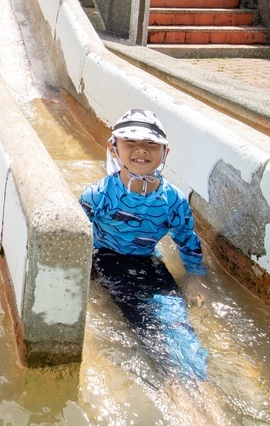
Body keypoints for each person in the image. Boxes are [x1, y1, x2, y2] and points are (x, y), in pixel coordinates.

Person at [79, 108, 210, 381]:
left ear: (165, 152)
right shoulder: (99, 195)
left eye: (151, 143)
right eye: (130, 143)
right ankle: (174, 384)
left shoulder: (173, 201)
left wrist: (195, 277)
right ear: (113, 148)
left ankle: (198, 381)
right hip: (106, 258)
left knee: (177, 320)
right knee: (142, 319)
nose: (142, 150)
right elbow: (77, 234)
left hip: (148, 260)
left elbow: (187, 241)